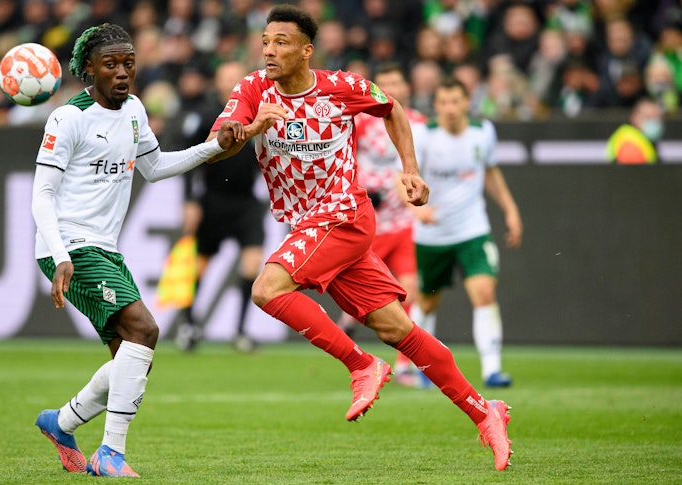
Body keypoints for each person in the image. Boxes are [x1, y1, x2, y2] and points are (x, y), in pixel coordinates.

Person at [206, 5, 513, 471]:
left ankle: (360, 365)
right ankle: (483, 411)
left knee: (267, 289)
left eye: (282, 42)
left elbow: (393, 108)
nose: (269, 49)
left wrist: (410, 169)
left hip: (345, 213)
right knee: (396, 328)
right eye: (266, 40)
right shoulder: (252, 89)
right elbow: (218, 145)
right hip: (309, 225)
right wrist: (249, 130)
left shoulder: (341, 87)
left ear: (307, 50)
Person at [30, 23, 243, 478]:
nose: (122, 73)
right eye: (111, 64)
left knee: (130, 361)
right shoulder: (69, 118)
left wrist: (212, 147)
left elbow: (154, 166)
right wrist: (60, 254)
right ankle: (110, 453)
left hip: (104, 248)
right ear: (89, 69)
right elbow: (42, 195)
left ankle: (62, 422)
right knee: (144, 331)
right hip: (70, 244)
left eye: (129, 63)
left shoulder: (134, 112)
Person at [410, 77, 523, 389]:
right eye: (443, 102)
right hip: (432, 237)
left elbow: (490, 172)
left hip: (472, 230)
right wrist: (417, 209)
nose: (449, 108)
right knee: (428, 303)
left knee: (485, 292)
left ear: (466, 102)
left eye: (455, 101)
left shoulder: (483, 132)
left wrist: (510, 210)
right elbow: (402, 177)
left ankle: (492, 369)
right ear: (435, 106)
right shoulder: (422, 136)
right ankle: (424, 365)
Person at [336, 62, 425, 387]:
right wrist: (367, 187)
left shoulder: (418, 125)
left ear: (406, 87)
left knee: (410, 289)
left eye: (396, 82)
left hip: (403, 224)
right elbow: (346, 162)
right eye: (384, 83)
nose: (392, 89)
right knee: (364, 298)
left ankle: (404, 364)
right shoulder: (359, 122)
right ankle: (348, 332)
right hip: (369, 223)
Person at [171, 61, 267, 353]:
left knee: (252, 264)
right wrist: (190, 201)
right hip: (213, 200)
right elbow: (189, 159)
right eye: (226, 77)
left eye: (235, 78)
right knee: (198, 266)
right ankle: (188, 325)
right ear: (217, 81)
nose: (230, 83)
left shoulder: (257, 114)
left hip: (246, 202)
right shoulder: (204, 115)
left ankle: (240, 331)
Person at [606, 97, 663, 164]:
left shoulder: (647, 141)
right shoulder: (629, 144)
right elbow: (632, 173)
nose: (654, 122)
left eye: (657, 117)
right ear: (634, 117)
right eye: (648, 117)